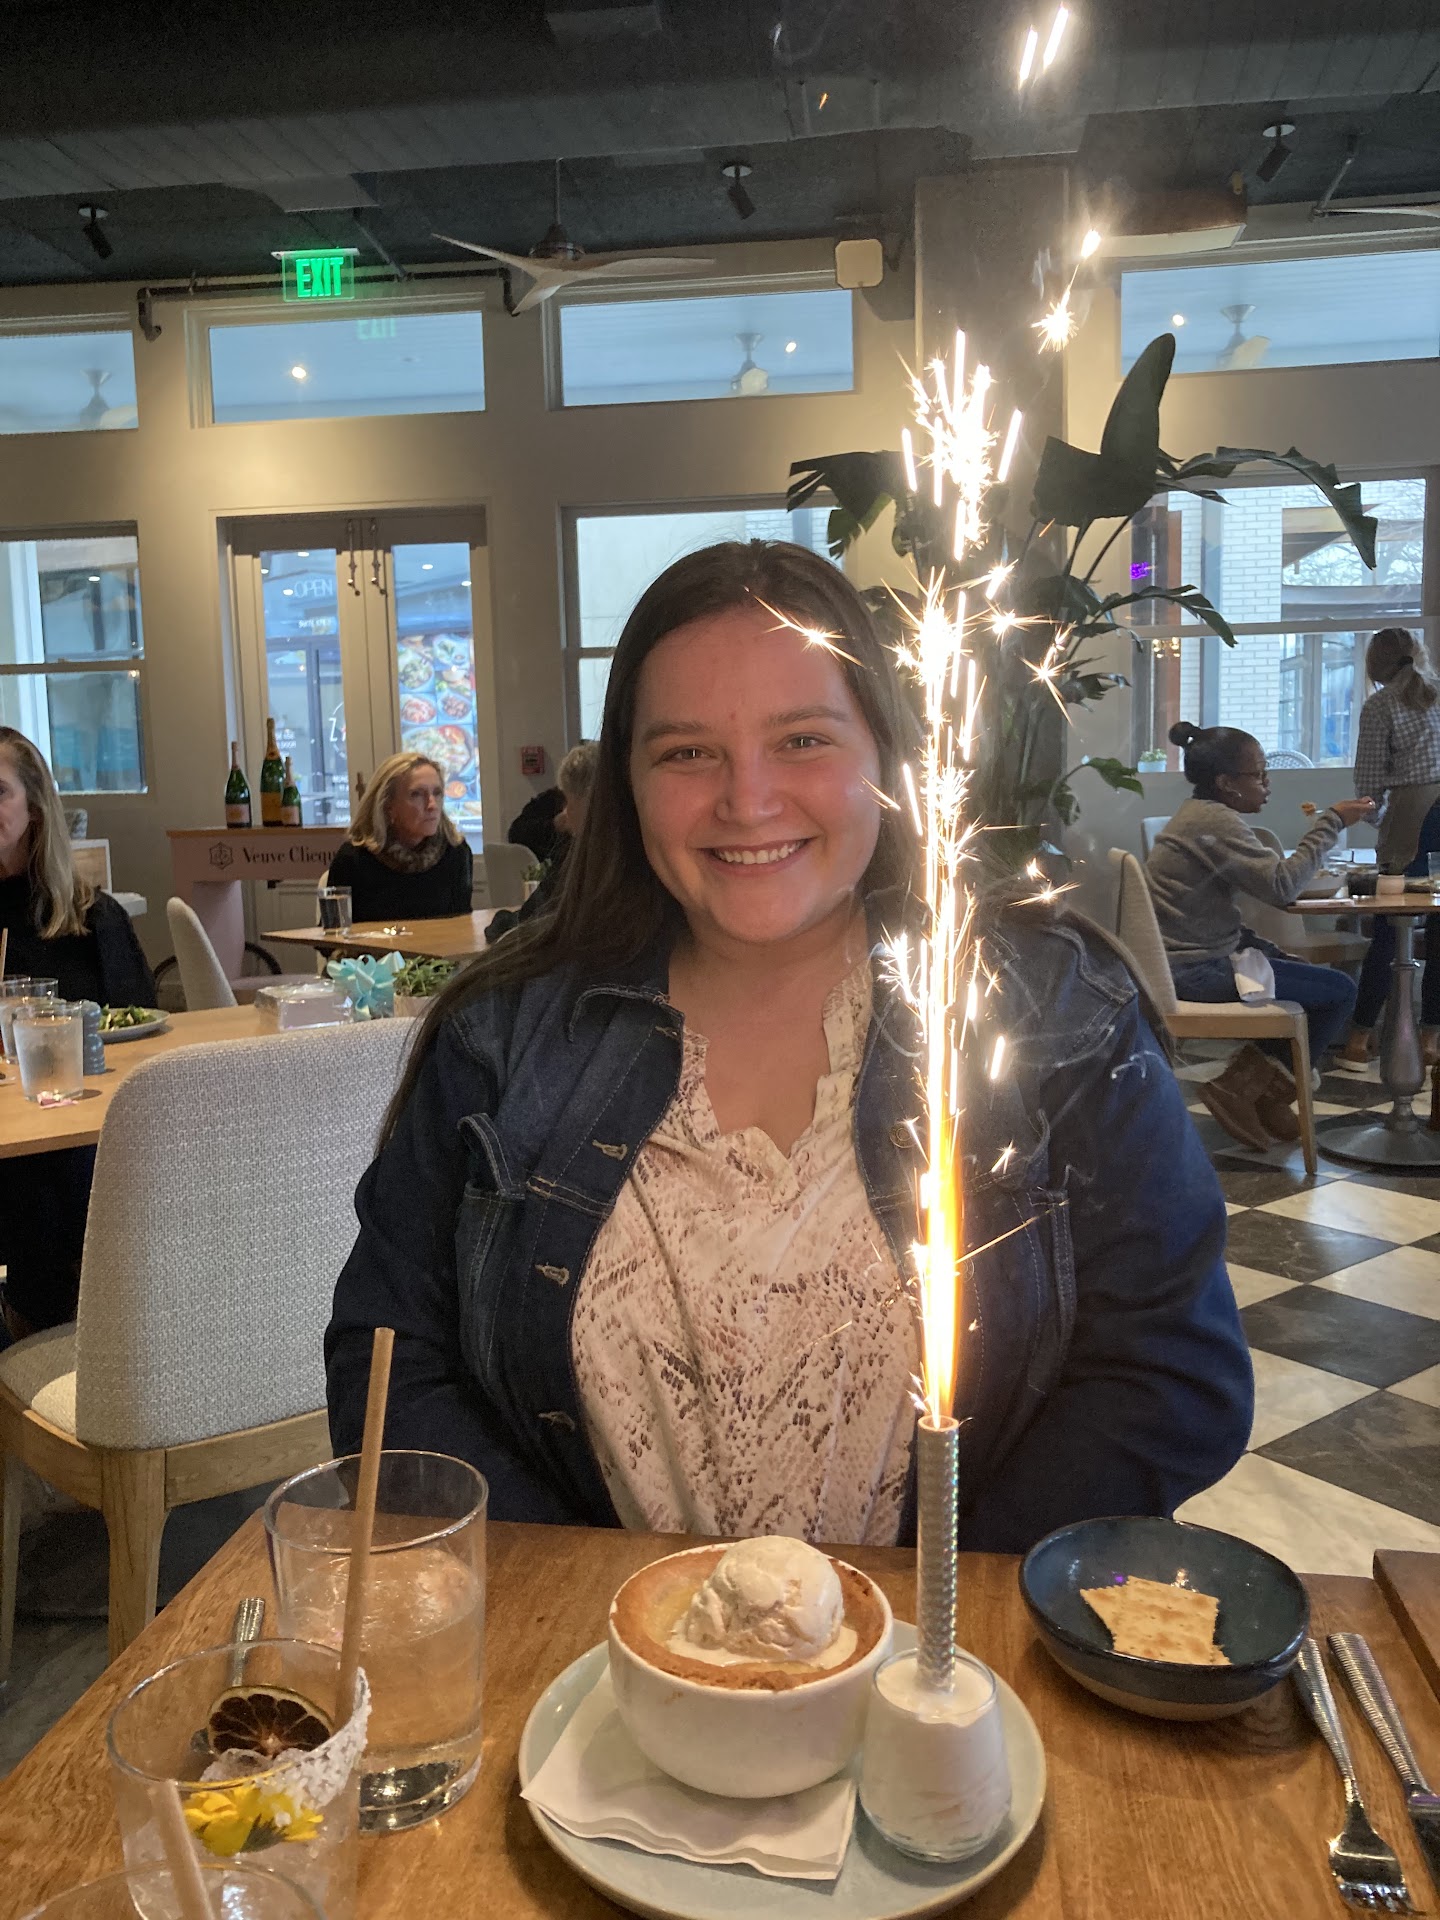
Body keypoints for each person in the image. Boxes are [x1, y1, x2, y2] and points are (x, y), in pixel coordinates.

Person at [327, 541, 1251, 1554]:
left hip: (953, 1641)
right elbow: (389, 1366)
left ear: (886, 756)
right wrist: (593, 1602)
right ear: (627, 784)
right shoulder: (502, 1037)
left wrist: (925, 1606)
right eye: (686, 753)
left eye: (803, 739)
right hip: (595, 1650)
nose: (748, 799)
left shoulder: (1049, 1012)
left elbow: (1172, 1375)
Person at [1146, 720, 1373, 1150]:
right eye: (1259, 774)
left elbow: (1213, 916)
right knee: (1339, 991)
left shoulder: (1200, 815)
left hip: (1190, 960)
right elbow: (1283, 886)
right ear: (1226, 783)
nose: (1267, 784)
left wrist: (1268, 950)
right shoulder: (1214, 822)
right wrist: (1332, 822)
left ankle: (1259, 1096)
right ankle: (1244, 1090)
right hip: (1194, 971)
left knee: (1304, 978)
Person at [0, 726, 156, 1338]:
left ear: (35, 809)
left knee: (54, 1178)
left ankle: (49, 1335)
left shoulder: (93, 920)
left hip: (74, 1135)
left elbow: (143, 1041)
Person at [1343, 628, 1440, 1065]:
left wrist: (1384, 822)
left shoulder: (1380, 705)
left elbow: (1368, 786)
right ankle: (1431, 1038)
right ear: (1418, 653)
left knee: (1389, 925)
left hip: (1413, 813)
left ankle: (1360, 1035)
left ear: (1374, 665)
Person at [324, 752, 472, 923]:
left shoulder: (455, 852)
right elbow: (333, 933)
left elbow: (462, 926)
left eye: (437, 793)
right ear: (388, 805)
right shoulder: (353, 858)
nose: (432, 805)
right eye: (417, 794)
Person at [484, 741, 597, 944]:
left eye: (568, 801)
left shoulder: (581, 860)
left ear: (583, 801)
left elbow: (530, 920)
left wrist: (501, 922)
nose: (566, 812)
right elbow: (517, 832)